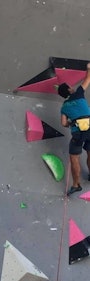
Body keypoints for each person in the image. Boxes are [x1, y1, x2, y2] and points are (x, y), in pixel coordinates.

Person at [59, 62, 90, 196]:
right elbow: (88, 79)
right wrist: (88, 68)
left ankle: (76, 184)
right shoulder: (78, 93)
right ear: (70, 89)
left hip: (78, 132)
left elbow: (64, 123)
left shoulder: (64, 107)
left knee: (74, 157)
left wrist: (71, 123)